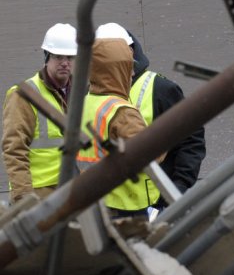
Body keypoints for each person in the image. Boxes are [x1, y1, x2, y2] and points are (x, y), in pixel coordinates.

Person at [95, 23, 206, 197]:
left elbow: (191, 139)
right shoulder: (89, 95)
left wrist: (179, 185)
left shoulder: (160, 89)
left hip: (154, 204)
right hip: (105, 203)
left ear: (130, 52)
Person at [77, 37, 163, 216]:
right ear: (115, 70)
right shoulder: (121, 111)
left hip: (94, 201)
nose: (132, 74)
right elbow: (149, 155)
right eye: (128, 67)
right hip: (127, 207)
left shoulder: (85, 103)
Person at [2, 23, 77, 204]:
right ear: (47, 57)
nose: (65, 62)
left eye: (70, 57)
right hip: (39, 195)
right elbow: (14, 149)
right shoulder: (24, 95)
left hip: (73, 190)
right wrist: (24, 199)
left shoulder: (82, 93)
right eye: (58, 56)